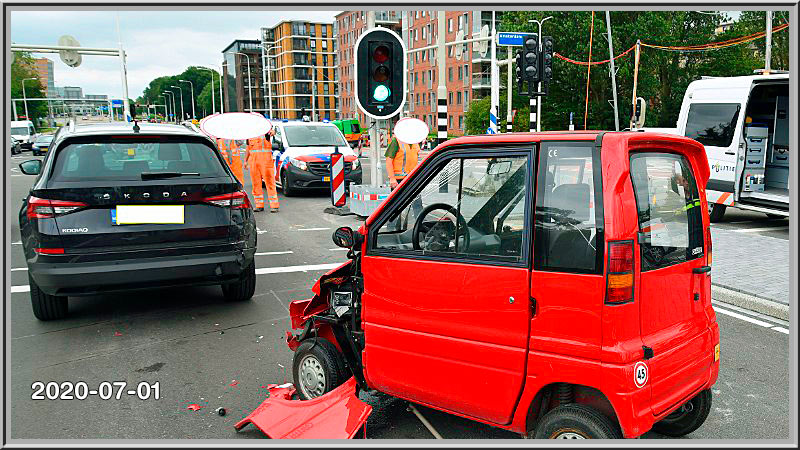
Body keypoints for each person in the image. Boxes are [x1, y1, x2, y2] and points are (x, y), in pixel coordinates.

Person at [244, 129, 279, 213]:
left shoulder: (265, 132)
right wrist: (245, 161)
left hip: (266, 163)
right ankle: (259, 205)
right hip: (254, 163)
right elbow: (248, 148)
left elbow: (273, 133)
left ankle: (274, 206)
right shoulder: (250, 135)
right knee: (256, 185)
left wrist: (273, 132)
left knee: (270, 183)